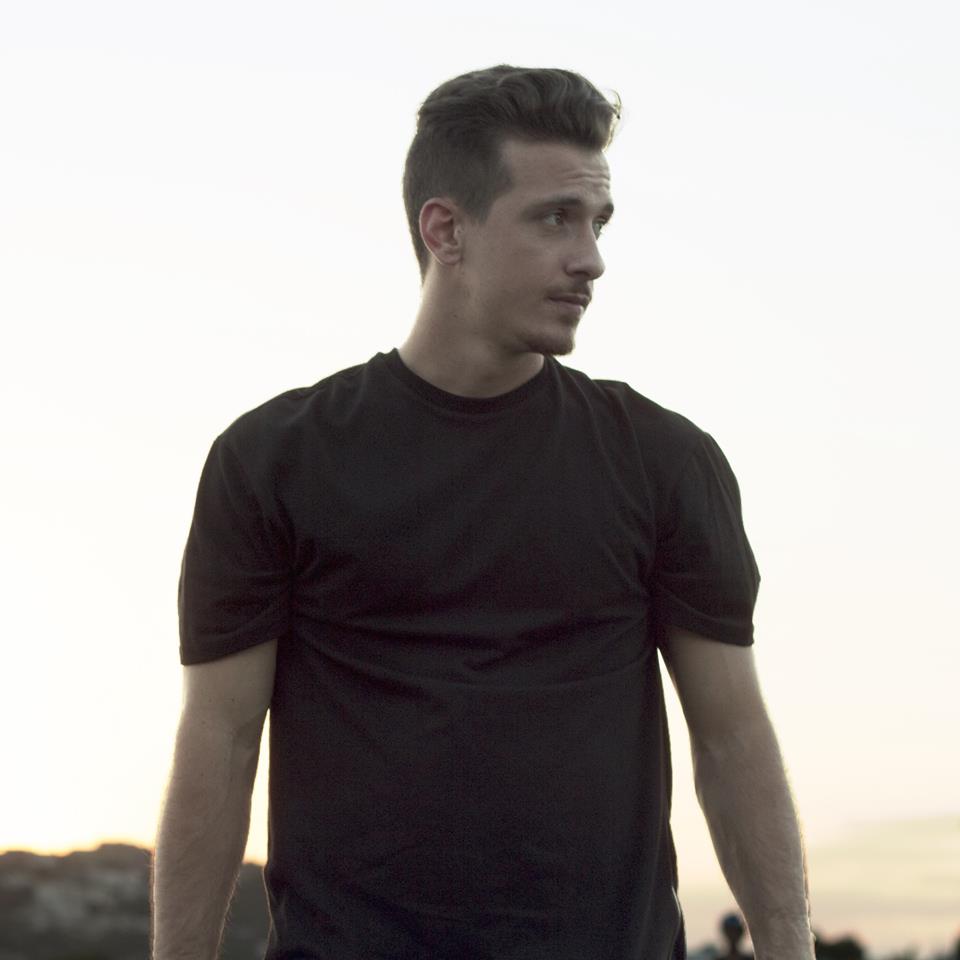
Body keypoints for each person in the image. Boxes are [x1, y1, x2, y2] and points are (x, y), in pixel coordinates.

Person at [152, 65, 815, 960]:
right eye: (555, 218)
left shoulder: (663, 461)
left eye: (598, 221)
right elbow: (221, 743)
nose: (590, 257)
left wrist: (789, 945)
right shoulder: (273, 461)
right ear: (446, 229)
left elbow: (732, 738)